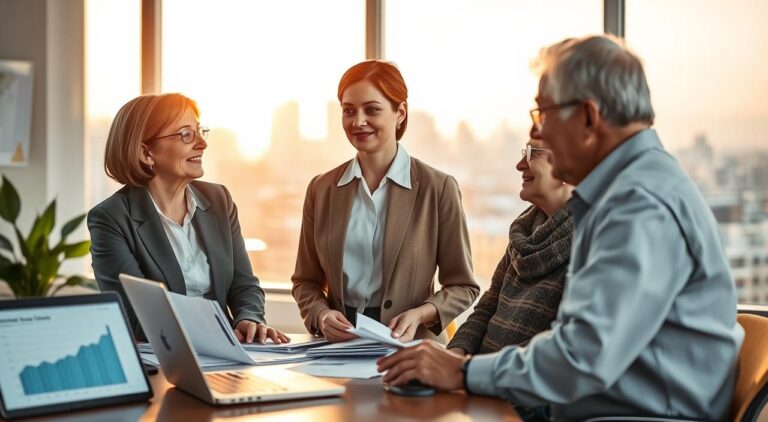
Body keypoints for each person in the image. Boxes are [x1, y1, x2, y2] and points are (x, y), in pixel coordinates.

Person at [377, 35, 743, 421]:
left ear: (588, 116)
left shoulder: (639, 204)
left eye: (543, 115)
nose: (538, 134)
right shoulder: (628, 191)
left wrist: (461, 371)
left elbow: (580, 357)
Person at [291, 60, 480, 343]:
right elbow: (305, 281)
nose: (358, 121)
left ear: (400, 112)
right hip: (338, 346)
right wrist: (320, 314)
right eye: (348, 111)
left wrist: (421, 314)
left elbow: (463, 286)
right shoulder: (322, 189)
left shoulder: (438, 188)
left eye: (372, 109)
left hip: (410, 346)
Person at [88, 93, 289, 345]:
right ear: (146, 153)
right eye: (186, 134)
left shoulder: (219, 199)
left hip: (228, 351)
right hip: (167, 356)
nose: (202, 143)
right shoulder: (111, 218)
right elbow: (137, 316)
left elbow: (243, 284)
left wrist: (247, 318)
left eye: (200, 131)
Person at [446, 140, 573, 357]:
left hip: (510, 383)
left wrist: (464, 371)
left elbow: (558, 349)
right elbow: (486, 308)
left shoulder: (591, 245)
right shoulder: (524, 233)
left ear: (568, 163)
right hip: (472, 377)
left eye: (533, 154)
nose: (520, 164)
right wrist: (452, 356)